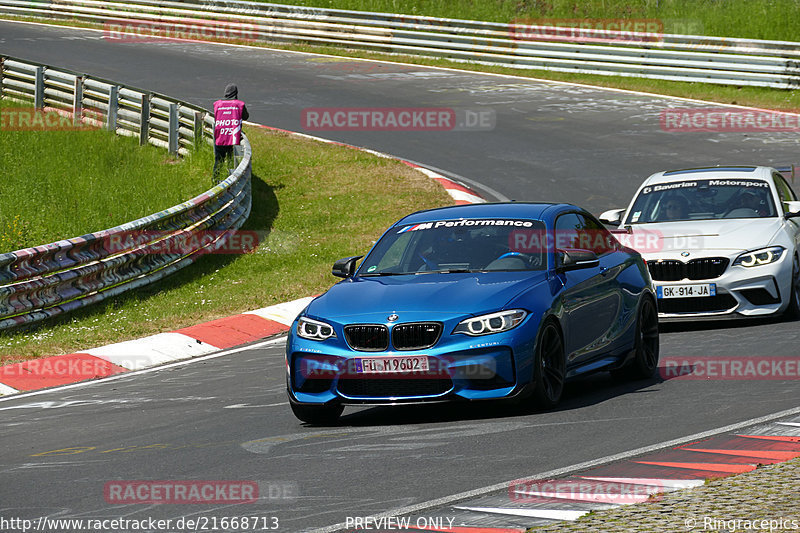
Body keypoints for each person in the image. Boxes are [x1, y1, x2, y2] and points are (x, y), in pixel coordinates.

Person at [213, 84, 249, 182]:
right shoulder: (239, 104)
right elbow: (246, 116)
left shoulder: (217, 104)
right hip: (232, 137)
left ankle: (215, 181)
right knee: (231, 161)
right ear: (236, 94)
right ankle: (231, 181)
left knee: (218, 161)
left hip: (220, 136)